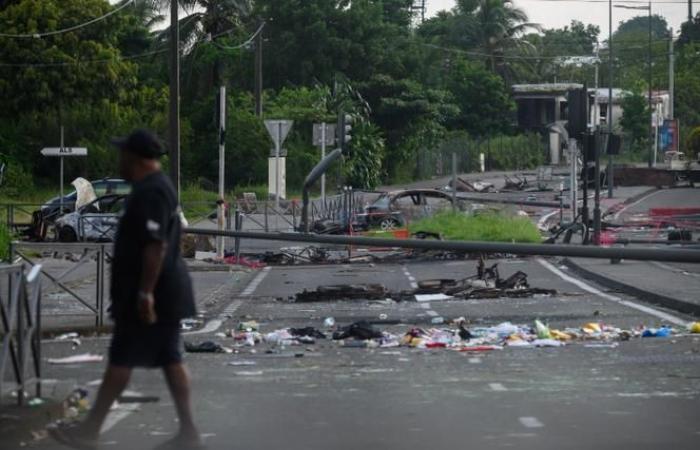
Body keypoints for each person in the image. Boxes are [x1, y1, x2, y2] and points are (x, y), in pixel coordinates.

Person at [49, 129, 202, 450]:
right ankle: (189, 433)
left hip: (152, 293)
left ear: (135, 158)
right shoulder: (153, 188)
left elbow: (155, 245)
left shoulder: (152, 191)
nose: (120, 160)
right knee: (169, 356)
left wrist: (145, 293)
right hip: (161, 291)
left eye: (123, 155)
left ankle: (90, 430)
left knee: (122, 358)